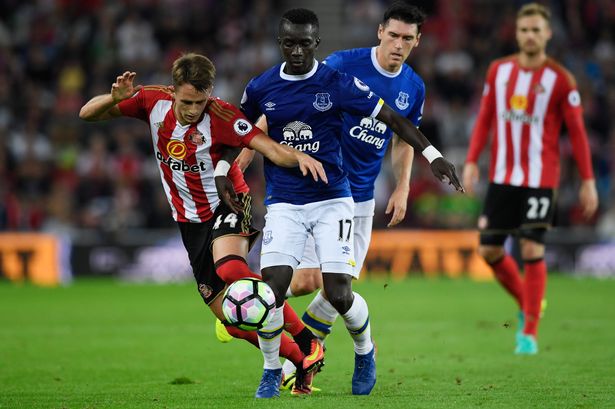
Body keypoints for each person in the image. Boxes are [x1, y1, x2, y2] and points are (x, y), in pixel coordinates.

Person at [233, 8, 462, 398]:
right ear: (380, 32)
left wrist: (406, 183)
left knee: (336, 292)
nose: (399, 45)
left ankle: (315, 350)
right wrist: (240, 165)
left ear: (418, 41)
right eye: (394, 35)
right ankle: (274, 341)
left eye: (408, 39)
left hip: (355, 197)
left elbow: (401, 134)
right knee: (301, 281)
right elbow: (274, 114)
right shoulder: (340, 67)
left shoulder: (412, 86)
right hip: (309, 190)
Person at [78, 53, 327, 381]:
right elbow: (86, 114)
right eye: (187, 101)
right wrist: (114, 98)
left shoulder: (224, 116)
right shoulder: (152, 102)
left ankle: (308, 339)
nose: (193, 109)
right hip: (189, 220)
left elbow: (268, 147)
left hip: (228, 202)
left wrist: (300, 158)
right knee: (231, 321)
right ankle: (299, 362)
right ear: (174, 90)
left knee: (231, 268)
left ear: (209, 92)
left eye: (200, 101)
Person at [462, 3, 598, 355]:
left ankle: (529, 334)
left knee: (531, 248)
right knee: (489, 250)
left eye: (537, 30)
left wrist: (587, 180)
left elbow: (578, 133)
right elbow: (486, 118)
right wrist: (473, 161)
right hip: (503, 177)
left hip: (540, 179)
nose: (530, 36)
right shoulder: (498, 71)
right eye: (525, 30)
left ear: (548, 34)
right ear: (517, 33)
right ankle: (529, 303)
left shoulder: (559, 79)